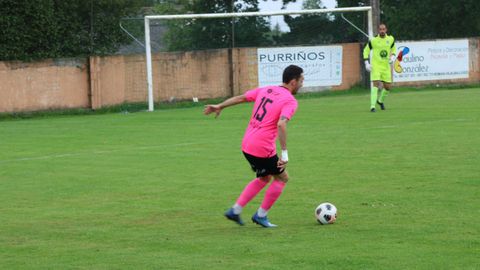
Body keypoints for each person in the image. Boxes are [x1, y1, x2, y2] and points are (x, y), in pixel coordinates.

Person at [203, 65, 304, 228]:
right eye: (301, 81)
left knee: (264, 177)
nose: (302, 84)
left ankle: (235, 211)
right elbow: (282, 124)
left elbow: (241, 98)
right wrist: (284, 152)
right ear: (293, 82)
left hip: (247, 144)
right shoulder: (290, 101)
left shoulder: (267, 89)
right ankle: (261, 215)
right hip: (263, 147)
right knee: (282, 177)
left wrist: (220, 106)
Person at [363, 23, 397, 112]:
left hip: (386, 67)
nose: (382, 31)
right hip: (376, 66)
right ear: (378, 30)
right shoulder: (373, 40)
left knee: (388, 87)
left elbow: (393, 49)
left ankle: (380, 101)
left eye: (383, 29)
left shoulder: (390, 39)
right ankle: (372, 106)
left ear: (386, 30)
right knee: (376, 84)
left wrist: (393, 57)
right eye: (380, 29)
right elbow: (366, 50)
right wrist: (367, 63)